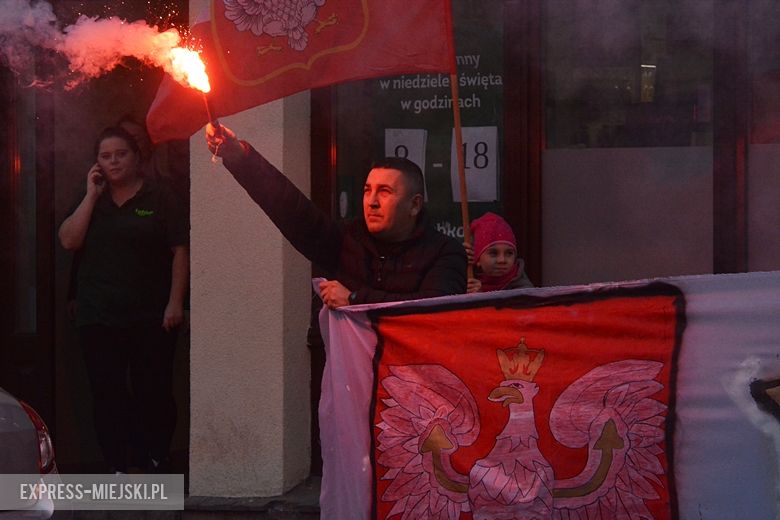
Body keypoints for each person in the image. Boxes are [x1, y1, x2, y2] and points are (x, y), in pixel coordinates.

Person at [205, 123, 466, 307]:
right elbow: (291, 210)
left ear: (414, 205)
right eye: (367, 190)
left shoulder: (445, 253)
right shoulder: (347, 241)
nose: (372, 202)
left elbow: (434, 311)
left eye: (385, 191)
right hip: (353, 383)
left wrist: (354, 300)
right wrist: (241, 157)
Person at [58, 126, 189, 473]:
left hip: (151, 315)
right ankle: (119, 465)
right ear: (96, 163)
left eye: (120, 154)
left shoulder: (160, 197)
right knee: (108, 395)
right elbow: (69, 241)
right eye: (105, 156)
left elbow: (179, 251)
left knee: (154, 392)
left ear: (136, 157)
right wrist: (90, 195)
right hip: (99, 317)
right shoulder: (91, 200)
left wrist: (175, 302)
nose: (113, 161)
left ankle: (155, 458)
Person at [465, 212, 533, 293]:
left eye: (509, 253)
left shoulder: (525, 291)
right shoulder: (466, 281)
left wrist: (482, 297)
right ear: (477, 258)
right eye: (493, 253)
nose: (502, 260)